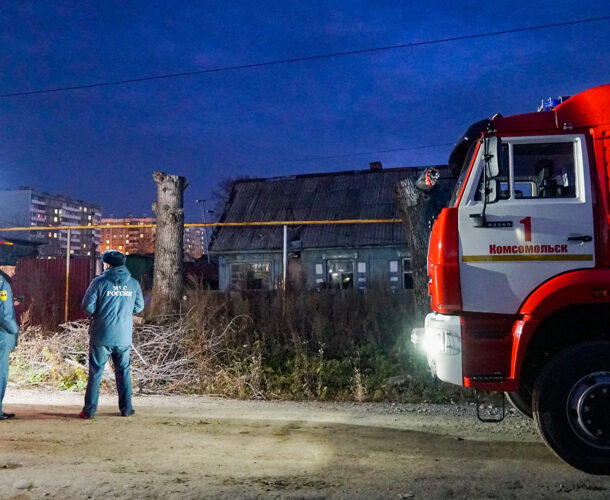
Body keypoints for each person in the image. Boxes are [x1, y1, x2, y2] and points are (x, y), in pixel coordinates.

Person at [80, 250, 144, 419]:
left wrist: (100, 312)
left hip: (102, 335)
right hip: (123, 336)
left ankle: (89, 411)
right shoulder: (133, 284)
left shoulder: (99, 282)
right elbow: (138, 307)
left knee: (95, 373)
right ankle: (126, 409)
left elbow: (87, 307)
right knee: (123, 372)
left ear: (107, 265)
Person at [0, 276, 19, 420]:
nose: (14, 272)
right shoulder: (3, 284)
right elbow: (3, 314)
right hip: (2, 336)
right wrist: (14, 329)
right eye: (12, 267)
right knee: (1, 373)